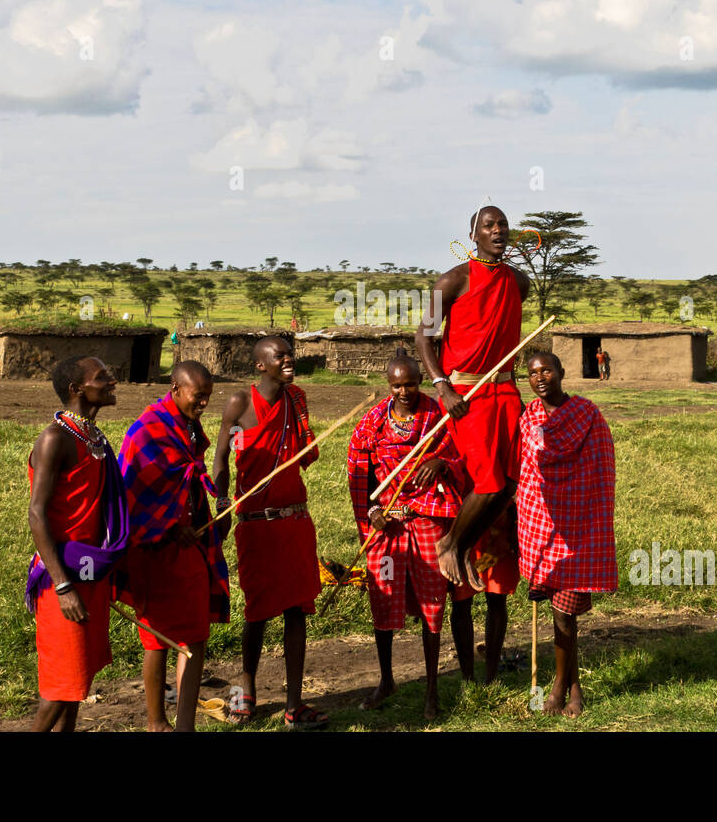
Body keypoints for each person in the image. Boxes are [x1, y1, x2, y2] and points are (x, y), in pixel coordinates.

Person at [416, 204, 528, 682]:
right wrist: (442, 386)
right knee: (485, 480)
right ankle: (452, 543)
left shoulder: (519, 282)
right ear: (473, 234)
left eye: (503, 225)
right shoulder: (451, 281)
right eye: (489, 226)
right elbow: (423, 336)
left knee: (508, 486)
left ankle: (465, 545)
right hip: (466, 392)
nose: (497, 232)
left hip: (506, 387)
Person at [213, 336, 328, 729]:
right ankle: (246, 690)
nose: (289, 360)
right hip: (255, 523)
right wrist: (220, 505)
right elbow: (222, 460)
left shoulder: (297, 399)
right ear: (261, 365)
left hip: (295, 519)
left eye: (290, 354)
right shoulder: (239, 403)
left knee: (298, 610)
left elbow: (305, 451)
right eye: (280, 356)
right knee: (258, 611)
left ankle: (294, 705)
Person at [347, 350, 468, 719]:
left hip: (427, 519)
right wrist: (372, 512)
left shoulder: (437, 416)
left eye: (411, 384)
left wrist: (440, 462)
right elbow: (360, 471)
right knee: (383, 603)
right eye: (397, 385)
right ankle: (387, 680)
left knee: (433, 605)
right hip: (388, 527)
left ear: (420, 381)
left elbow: (461, 453)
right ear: (389, 384)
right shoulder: (372, 423)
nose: (404, 391)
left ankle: (432, 689)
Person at [117, 360, 229, 732]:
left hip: (192, 546)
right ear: (176, 388)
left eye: (209, 397)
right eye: (199, 397)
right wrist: (167, 528)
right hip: (155, 552)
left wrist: (202, 517)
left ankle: (185, 726)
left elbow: (188, 484)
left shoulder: (189, 426)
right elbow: (132, 495)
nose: (204, 405)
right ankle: (156, 722)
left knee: (195, 634)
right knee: (157, 638)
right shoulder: (146, 431)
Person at [25, 356, 128, 732]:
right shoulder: (56, 439)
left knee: (78, 679)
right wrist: (64, 586)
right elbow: (37, 515)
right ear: (76, 390)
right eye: (103, 377)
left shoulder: (94, 438)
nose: (112, 381)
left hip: (89, 568)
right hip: (62, 576)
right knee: (61, 684)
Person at [516, 352, 617, 718]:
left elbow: (601, 468)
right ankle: (573, 686)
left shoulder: (587, 415)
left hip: (579, 527)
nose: (540, 377)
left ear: (561, 372)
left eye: (546, 370)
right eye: (532, 373)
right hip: (542, 526)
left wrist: (594, 517)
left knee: (564, 613)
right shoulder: (528, 418)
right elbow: (526, 475)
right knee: (561, 615)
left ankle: (559, 688)